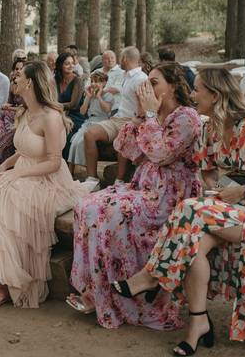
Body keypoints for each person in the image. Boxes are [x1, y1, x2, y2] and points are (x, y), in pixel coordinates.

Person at [115, 69, 245, 353]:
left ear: (215, 95)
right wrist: (215, 190)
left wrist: (242, 191)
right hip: (232, 207)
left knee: (189, 209)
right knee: (193, 245)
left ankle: (151, 277)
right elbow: (209, 173)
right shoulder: (209, 129)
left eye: (198, 90)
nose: (192, 95)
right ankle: (198, 322)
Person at [68, 63, 203, 330]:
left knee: (108, 214)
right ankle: (97, 291)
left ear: (173, 86)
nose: (146, 88)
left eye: (153, 83)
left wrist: (151, 115)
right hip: (143, 187)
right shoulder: (154, 115)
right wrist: (140, 117)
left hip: (170, 196)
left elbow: (161, 154)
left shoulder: (186, 117)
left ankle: (124, 297)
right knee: (86, 205)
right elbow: (126, 148)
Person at [0, 62, 85, 309]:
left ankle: (5, 284)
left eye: (20, 76)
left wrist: (16, 175)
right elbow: (23, 149)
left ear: (31, 83)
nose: (15, 78)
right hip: (25, 172)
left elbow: (54, 163)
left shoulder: (51, 117)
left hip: (48, 180)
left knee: (5, 202)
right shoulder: (23, 112)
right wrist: (4, 167)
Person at [81, 47, 149, 179]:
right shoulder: (124, 75)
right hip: (116, 118)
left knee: (125, 136)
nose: (118, 62)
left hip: (131, 121)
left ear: (124, 59)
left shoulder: (141, 78)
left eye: (120, 58)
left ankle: (120, 180)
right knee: (89, 134)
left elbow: (144, 108)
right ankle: (92, 179)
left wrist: (135, 122)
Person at [66, 70, 114, 175]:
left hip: (101, 122)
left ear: (104, 83)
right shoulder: (90, 95)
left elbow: (107, 110)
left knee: (81, 142)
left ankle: (88, 172)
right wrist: (88, 97)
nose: (93, 84)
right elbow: (82, 111)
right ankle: (70, 172)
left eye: (97, 81)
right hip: (89, 121)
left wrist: (99, 97)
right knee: (74, 142)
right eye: (92, 81)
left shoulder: (108, 95)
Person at [55, 52, 85, 146]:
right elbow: (52, 98)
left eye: (72, 63)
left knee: (62, 130)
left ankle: (63, 159)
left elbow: (74, 104)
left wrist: (54, 105)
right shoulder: (56, 80)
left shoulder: (77, 80)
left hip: (75, 116)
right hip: (59, 113)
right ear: (60, 65)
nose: (70, 66)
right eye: (67, 63)